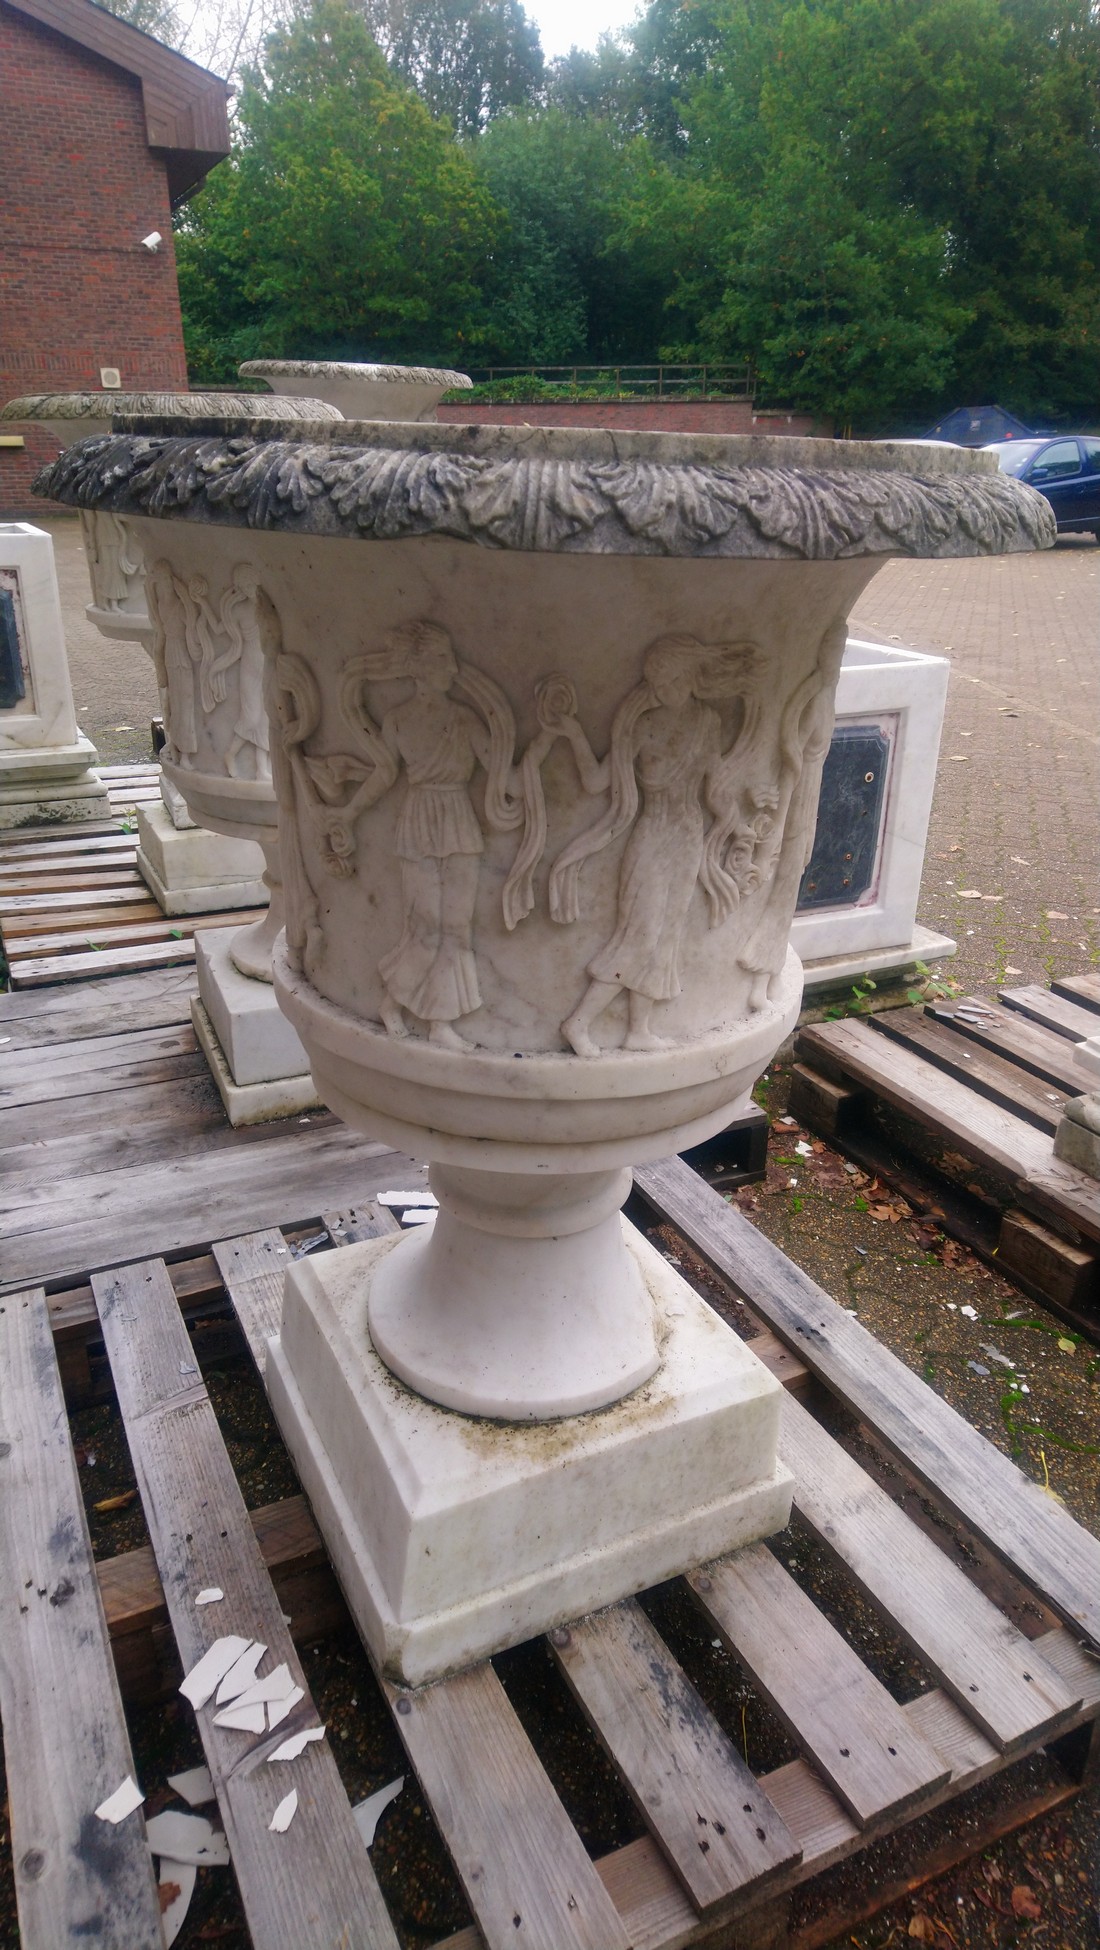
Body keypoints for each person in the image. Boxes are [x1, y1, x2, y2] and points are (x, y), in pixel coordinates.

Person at [548, 634, 762, 1056]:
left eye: (667, 679)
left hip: (685, 839)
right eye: (654, 680)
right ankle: (578, 1022)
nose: (659, 688)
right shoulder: (642, 725)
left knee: (665, 937)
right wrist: (573, 733)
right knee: (639, 934)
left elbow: (715, 789)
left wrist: (739, 823)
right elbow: (596, 781)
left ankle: (638, 1031)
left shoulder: (707, 723)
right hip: (651, 835)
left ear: (687, 676)